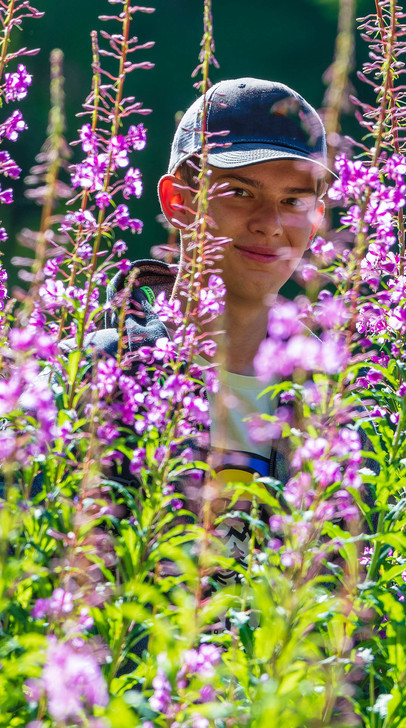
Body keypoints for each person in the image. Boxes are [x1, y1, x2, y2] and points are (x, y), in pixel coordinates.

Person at [85, 77, 330, 496]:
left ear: (316, 220)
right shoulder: (99, 372)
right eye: (239, 191)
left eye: (293, 202)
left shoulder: (333, 411)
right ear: (177, 201)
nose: (269, 224)